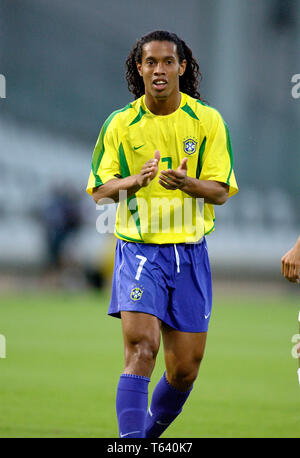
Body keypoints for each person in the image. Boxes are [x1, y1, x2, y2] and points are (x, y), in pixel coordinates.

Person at [86, 30, 239, 438]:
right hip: (140, 252)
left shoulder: (206, 120)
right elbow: (100, 190)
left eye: (167, 61)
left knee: (185, 370)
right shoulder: (120, 124)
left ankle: (148, 438)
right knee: (141, 349)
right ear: (139, 68)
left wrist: (188, 184)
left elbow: (221, 191)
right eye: (150, 62)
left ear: (182, 67)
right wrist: (134, 181)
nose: (158, 69)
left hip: (189, 255)